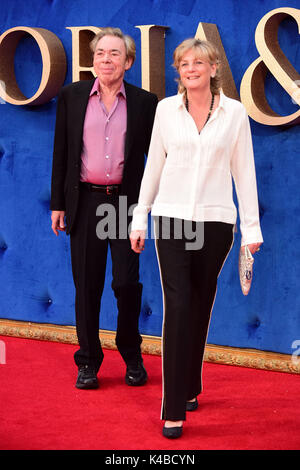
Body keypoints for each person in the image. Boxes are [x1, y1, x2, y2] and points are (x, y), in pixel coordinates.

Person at [130, 38, 263, 438]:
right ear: (178, 71)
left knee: (201, 303)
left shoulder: (235, 113)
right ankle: (173, 408)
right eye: (184, 63)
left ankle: (190, 384)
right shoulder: (166, 111)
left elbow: (245, 171)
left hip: (217, 223)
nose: (191, 69)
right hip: (171, 221)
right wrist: (139, 217)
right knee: (180, 304)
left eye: (198, 62)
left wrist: (251, 230)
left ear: (213, 68)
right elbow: (153, 165)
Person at [50, 27, 158, 390]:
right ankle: (88, 362)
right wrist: (58, 203)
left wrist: (147, 208)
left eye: (114, 53)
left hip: (124, 204)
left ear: (128, 61)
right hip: (86, 200)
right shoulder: (72, 95)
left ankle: (131, 355)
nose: (106, 59)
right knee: (87, 285)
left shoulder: (145, 102)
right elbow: (62, 153)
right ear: (92, 60)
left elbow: (155, 159)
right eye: (100, 53)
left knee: (127, 284)